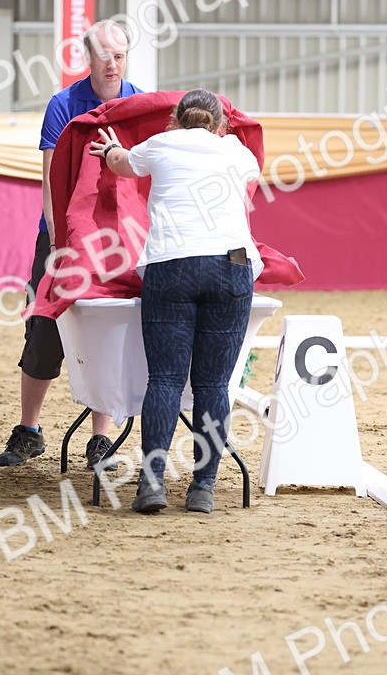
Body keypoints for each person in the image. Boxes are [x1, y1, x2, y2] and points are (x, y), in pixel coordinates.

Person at [89, 89, 262, 514]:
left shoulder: (159, 145)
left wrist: (111, 147)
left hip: (171, 263)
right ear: (220, 124)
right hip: (231, 262)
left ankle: (151, 484)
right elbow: (251, 171)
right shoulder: (236, 150)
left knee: (164, 380)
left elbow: (119, 163)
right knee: (213, 385)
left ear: (175, 120)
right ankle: (203, 487)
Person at [0, 19, 145, 470]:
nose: (113, 65)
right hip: (61, 238)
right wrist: (59, 246)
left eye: (120, 57)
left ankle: (101, 440)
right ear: (89, 58)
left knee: (105, 328)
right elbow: (49, 179)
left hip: (113, 241)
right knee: (43, 329)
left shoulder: (138, 103)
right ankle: (29, 431)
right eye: (105, 57)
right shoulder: (63, 105)